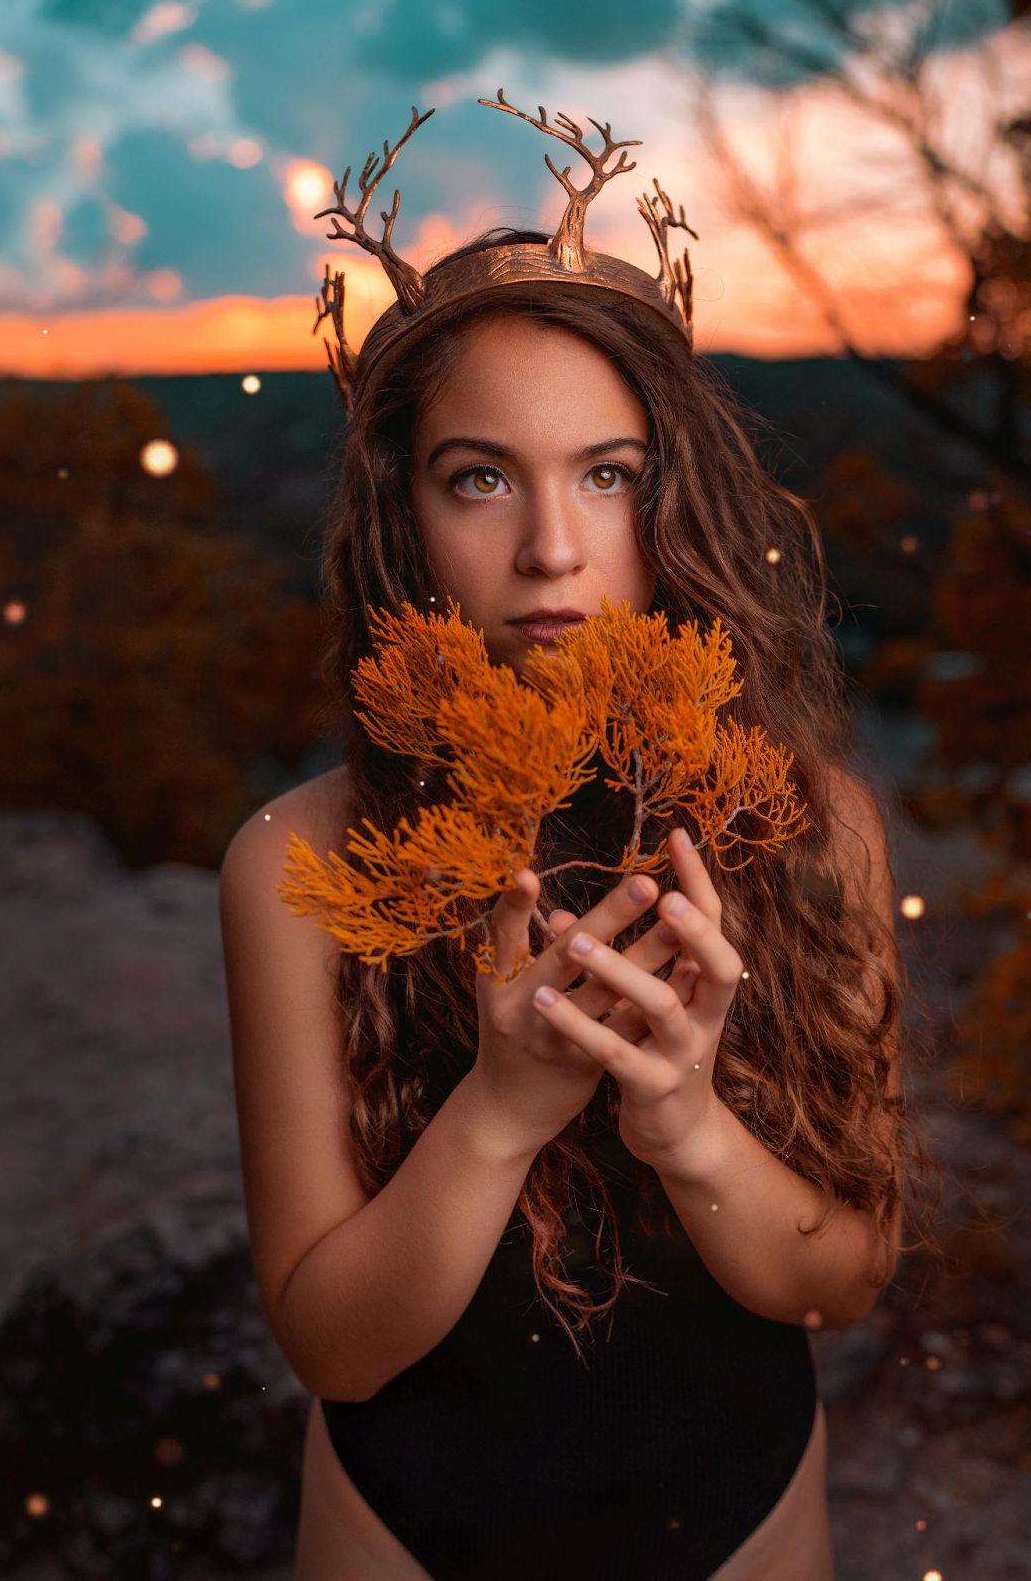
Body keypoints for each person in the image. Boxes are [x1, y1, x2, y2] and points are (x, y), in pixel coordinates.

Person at [220, 97, 907, 1581]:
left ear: (677, 495)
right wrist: (502, 1108)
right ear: (401, 511)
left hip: (742, 1515)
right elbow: (331, 1345)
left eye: (608, 473)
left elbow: (847, 1276)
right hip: (403, 1527)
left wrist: (685, 1126)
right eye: (481, 477)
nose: (550, 547)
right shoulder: (299, 866)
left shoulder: (809, 828)